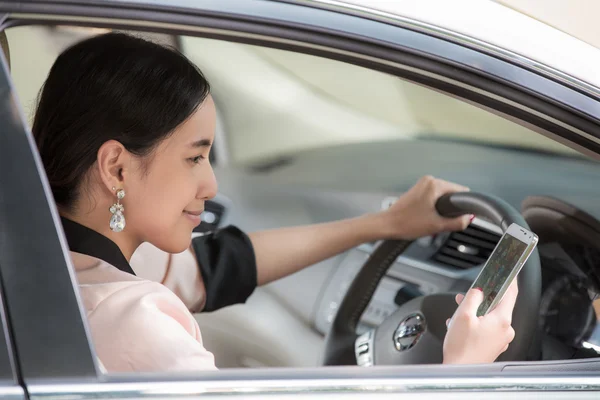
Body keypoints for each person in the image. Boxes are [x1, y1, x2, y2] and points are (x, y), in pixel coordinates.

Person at [32, 32, 518, 373]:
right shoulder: (133, 320)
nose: (211, 185)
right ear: (116, 166)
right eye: (194, 158)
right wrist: (457, 372)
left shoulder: (47, 258)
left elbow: (217, 267)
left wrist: (387, 224)